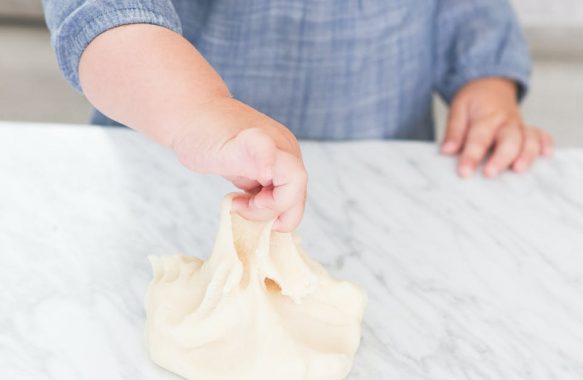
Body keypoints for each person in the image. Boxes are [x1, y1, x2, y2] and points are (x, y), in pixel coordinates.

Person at [43, 0, 553, 232]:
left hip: (381, 190)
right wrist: (202, 115)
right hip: (174, 179)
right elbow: (100, 15)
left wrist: (485, 81)